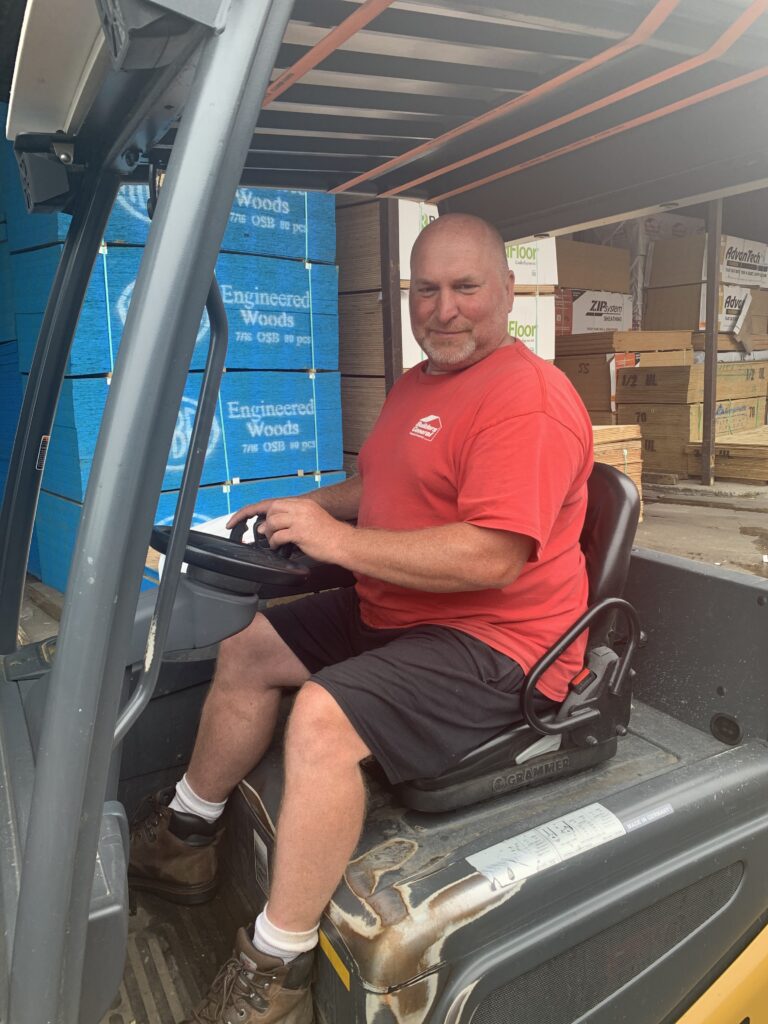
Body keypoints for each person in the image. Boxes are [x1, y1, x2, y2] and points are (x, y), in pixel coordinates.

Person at [128, 213, 594, 1023]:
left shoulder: (530, 399)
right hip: (405, 606)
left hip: (501, 641)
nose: (443, 309)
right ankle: (185, 841)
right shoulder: (423, 383)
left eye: (466, 289)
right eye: (427, 290)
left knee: (320, 720)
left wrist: (334, 541)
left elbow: (492, 556)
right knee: (247, 646)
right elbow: (384, 484)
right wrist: (305, 506)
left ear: (508, 293)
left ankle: (275, 969)